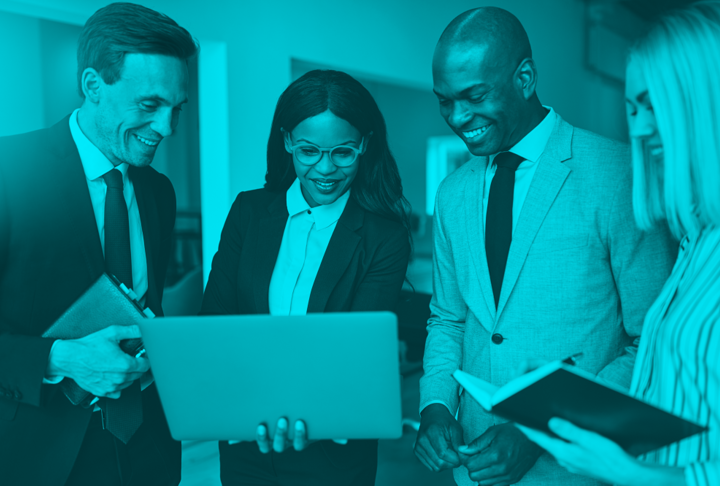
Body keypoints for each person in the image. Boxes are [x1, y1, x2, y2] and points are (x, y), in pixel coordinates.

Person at [414, 6, 678, 486]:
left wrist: (538, 431)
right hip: (471, 468)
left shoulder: (619, 176)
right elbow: (449, 319)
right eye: (444, 100)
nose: (457, 116)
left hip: (575, 469)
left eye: (474, 95)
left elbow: (652, 342)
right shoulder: (451, 193)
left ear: (526, 78)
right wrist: (434, 405)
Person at [517, 2, 720, 485]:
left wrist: (626, 471)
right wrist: (578, 403)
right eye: (632, 107)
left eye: (654, 103)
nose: (640, 127)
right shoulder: (697, 245)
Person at [0, 3, 197, 485]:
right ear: (93, 87)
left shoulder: (158, 191)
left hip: (148, 448)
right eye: (149, 105)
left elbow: (145, 307)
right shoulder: (7, 172)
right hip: (39, 454)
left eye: (176, 109)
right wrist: (58, 359)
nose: (167, 129)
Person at [200, 69, 412, 486]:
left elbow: (355, 350)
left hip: (333, 448)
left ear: (365, 145)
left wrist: (299, 408)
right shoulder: (248, 212)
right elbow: (217, 320)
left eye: (344, 153)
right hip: (246, 438)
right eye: (309, 151)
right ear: (286, 142)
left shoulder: (383, 238)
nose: (325, 169)